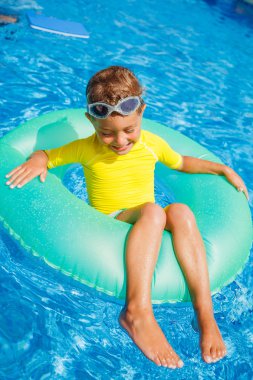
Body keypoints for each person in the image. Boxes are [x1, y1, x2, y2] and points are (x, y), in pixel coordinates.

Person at [5, 66, 249, 369]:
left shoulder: (152, 144)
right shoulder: (85, 149)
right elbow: (48, 155)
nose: (120, 141)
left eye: (129, 130)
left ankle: (204, 313)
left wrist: (222, 169)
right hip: (111, 223)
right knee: (152, 211)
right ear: (91, 120)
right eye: (106, 133)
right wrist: (38, 160)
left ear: (142, 112)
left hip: (149, 220)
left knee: (181, 212)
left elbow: (182, 162)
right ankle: (136, 311)